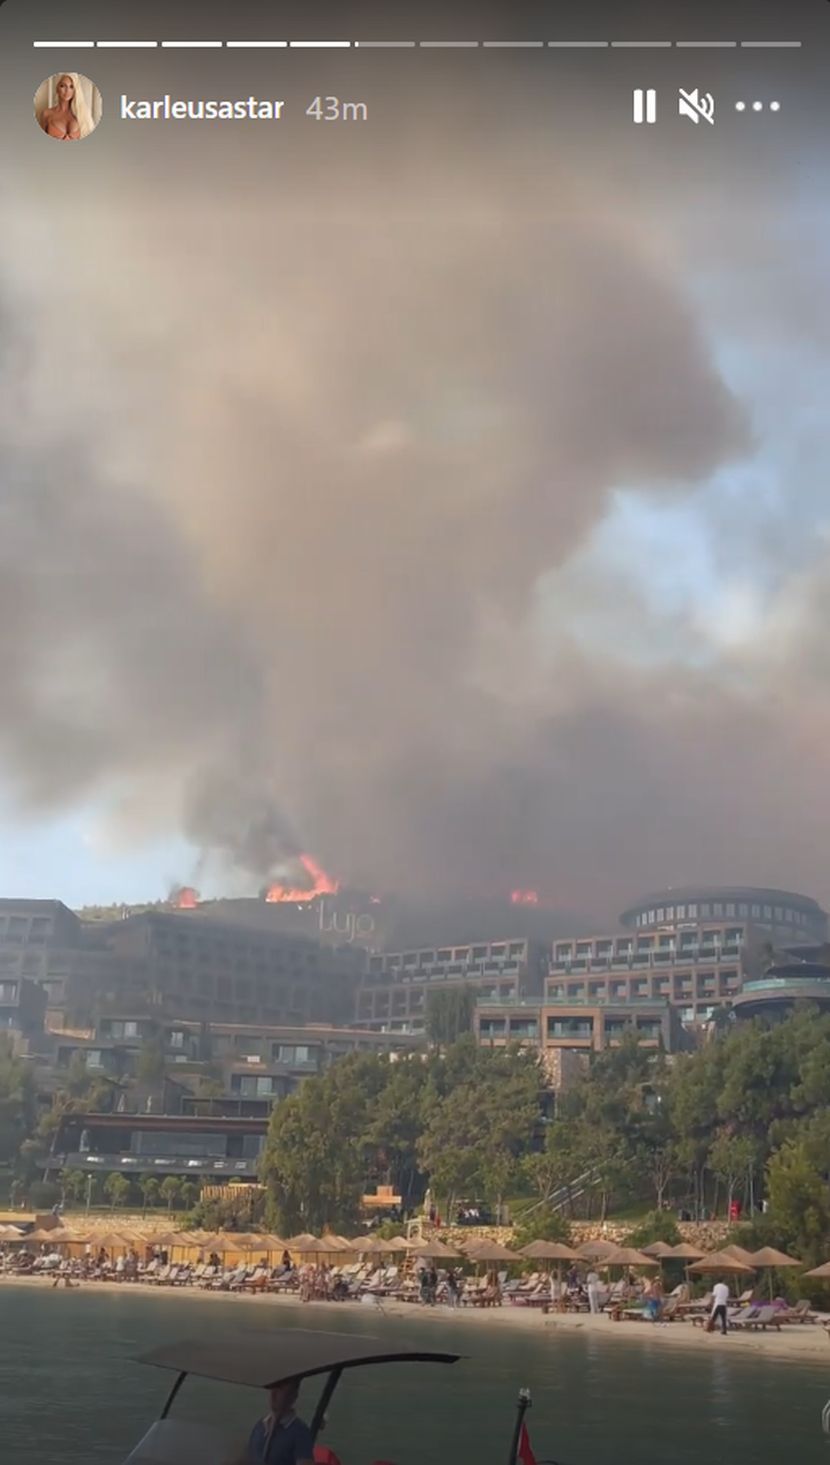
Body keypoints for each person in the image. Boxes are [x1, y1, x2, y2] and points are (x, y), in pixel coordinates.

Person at [241, 1378, 314, 1465]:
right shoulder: (259, 1426)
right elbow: (248, 1459)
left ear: (293, 1395)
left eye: (280, 1389)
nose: (273, 1393)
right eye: (273, 1388)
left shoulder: (300, 1433)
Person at [39, 74, 91, 140]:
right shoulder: (46, 114)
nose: (67, 90)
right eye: (63, 86)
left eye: (71, 87)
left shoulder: (82, 114)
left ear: (75, 90)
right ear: (57, 89)